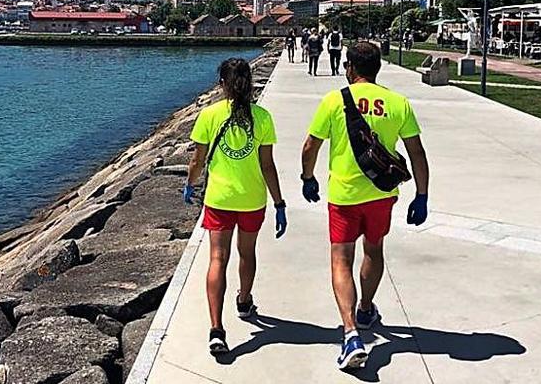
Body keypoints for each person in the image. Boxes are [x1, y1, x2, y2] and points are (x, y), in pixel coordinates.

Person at [300, 42, 430, 371]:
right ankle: (366, 308)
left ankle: (351, 334)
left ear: (349, 68)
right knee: (374, 250)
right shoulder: (398, 103)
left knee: (341, 259)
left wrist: (308, 177)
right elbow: (417, 152)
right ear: (378, 68)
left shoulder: (334, 100)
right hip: (382, 195)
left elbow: (310, 145)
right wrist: (422, 194)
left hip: (344, 196)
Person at [184, 58, 287, 356]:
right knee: (247, 253)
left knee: (218, 258)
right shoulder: (263, 117)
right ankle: (244, 300)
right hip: (253, 200)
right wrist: (279, 202)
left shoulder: (209, 115)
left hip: (219, 199)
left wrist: (191, 184)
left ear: (222, 84)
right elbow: (267, 166)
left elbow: (197, 161)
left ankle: (216, 329)